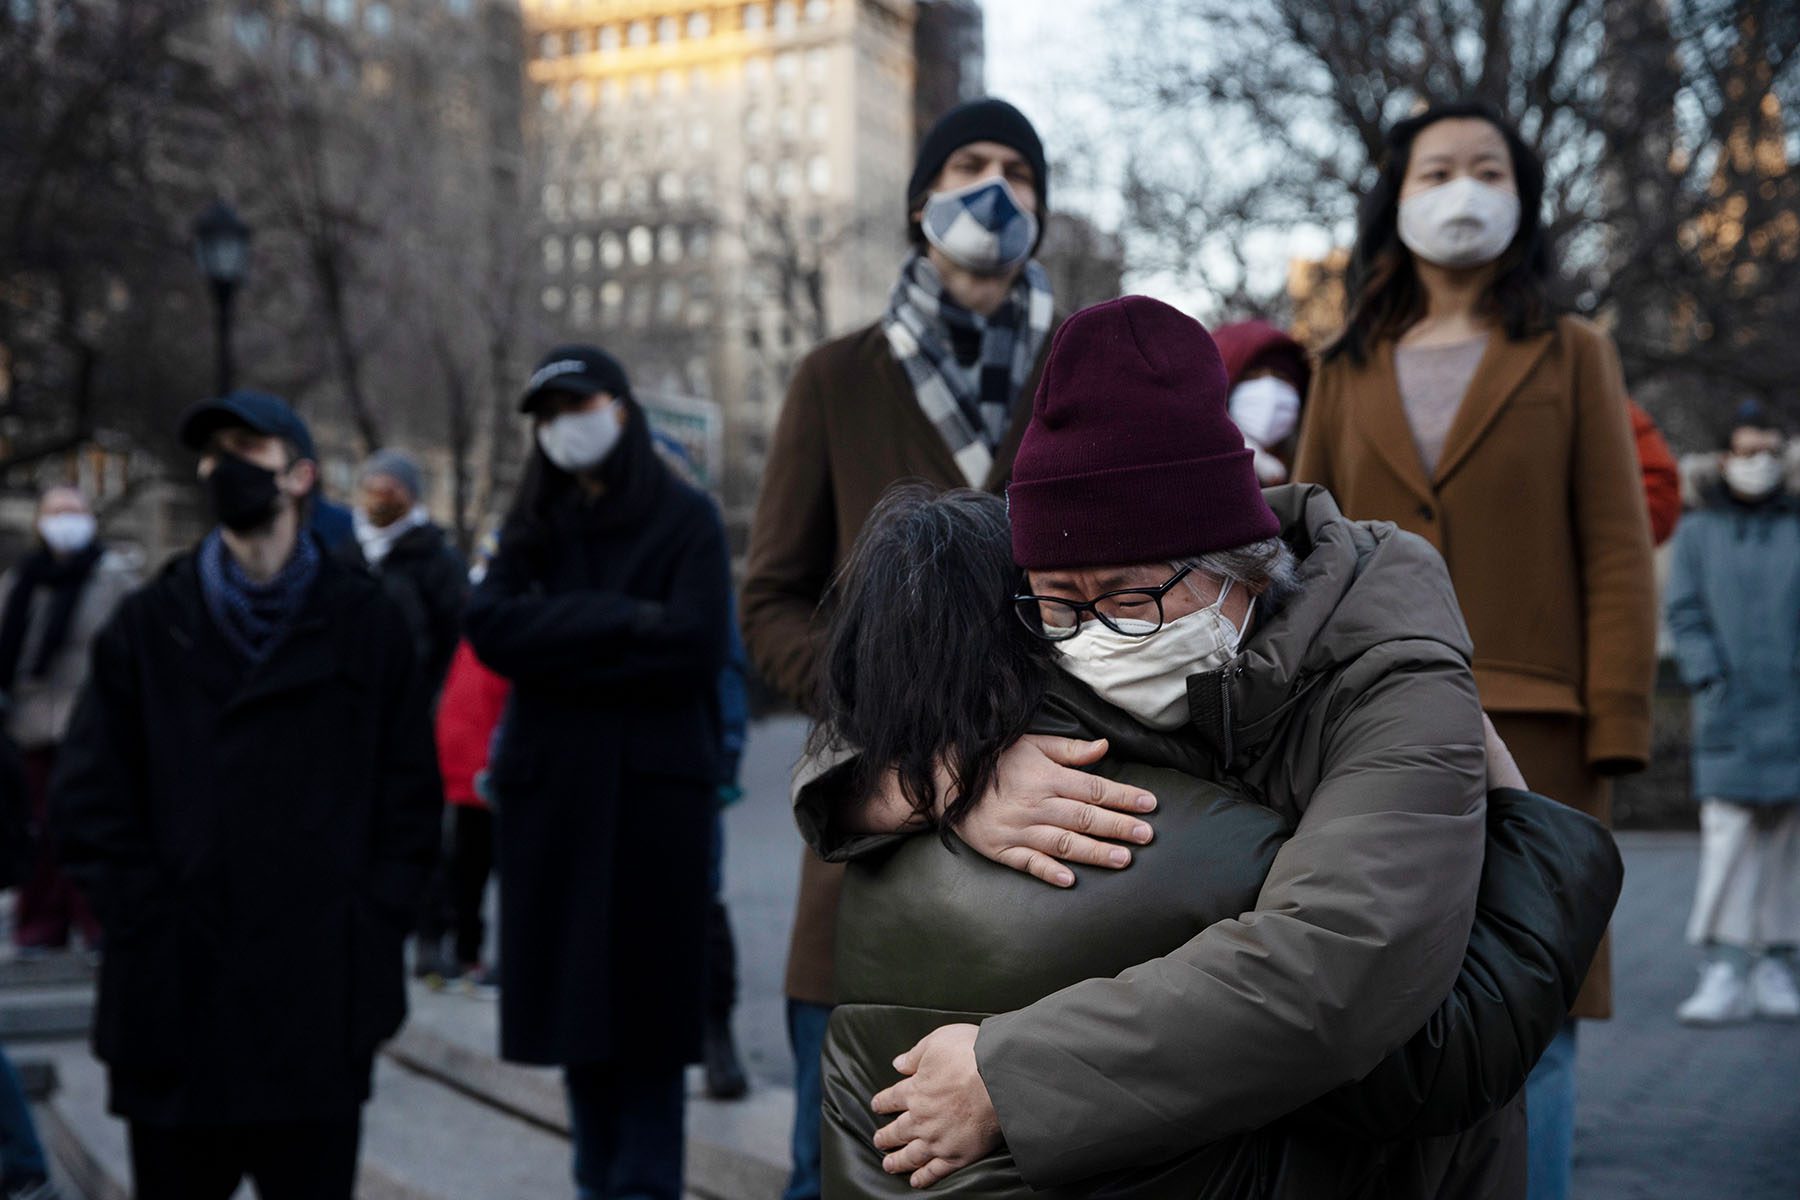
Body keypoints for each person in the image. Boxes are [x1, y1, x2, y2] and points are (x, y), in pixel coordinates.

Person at [790, 296, 1550, 1194]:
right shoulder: (1049, 611)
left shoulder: (1387, 664)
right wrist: (951, 777)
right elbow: (857, 724)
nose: (1092, 636)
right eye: (1058, 603)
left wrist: (1010, 1075)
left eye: (1129, 598)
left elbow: (1341, 958)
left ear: (1241, 563)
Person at [1292, 101, 1657, 1200]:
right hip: (1374, 737)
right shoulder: (1343, 362)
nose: (1463, 189)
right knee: (1378, 1009)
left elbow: (1616, 547)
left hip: (1542, 739)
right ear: (1396, 199)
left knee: (1533, 1019)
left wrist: (1619, 727)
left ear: (1522, 193)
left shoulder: (1575, 351)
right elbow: (1302, 554)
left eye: (1487, 168)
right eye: (1437, 169)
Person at [739, 96, 1059, 1200]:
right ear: (920, 203)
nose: (994, 187)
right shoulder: (837, 377)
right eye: (969, 163)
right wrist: (883, 718)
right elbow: (771, 598)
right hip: (871, 855)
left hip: (1058, 847)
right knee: (839, 1173)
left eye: (1019, 171)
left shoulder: (1082, 375)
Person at [49, 390, 441, 1200]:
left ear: (298, 476)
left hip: (316, 1013)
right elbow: (88, 799)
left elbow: (409, 802)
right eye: (211, 452)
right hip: (174, 1013)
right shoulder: (150, 625)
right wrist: (149, 921)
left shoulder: (365, 625)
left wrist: (364, 928)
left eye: (245, 450)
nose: (221, 468)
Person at [464, 345, 731, 1200]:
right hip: (556, 808)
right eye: (547, 415)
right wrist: (623, 619)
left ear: (619, 408)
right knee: (575, 1023)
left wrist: (561, 639)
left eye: (576, 407)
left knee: (649, 1034)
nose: (562, 429)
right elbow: (492, 628)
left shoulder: (687, 519)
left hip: (654, 809)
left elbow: (692, 648)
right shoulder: (535, 524)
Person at [1665, 400, 1800, 1025]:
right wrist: (1708, 675)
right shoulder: (1698, 530)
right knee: (1727, 838)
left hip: (1793, 709)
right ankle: (1722, 964)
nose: (1759, 464)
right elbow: (1685, 612)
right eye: (1748, 452)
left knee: (1785, 844)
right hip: (1729, 708)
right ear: (1724, 458)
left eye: (1770, 451)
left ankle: (1776, 961)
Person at [0, 485, 138, 955]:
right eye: (57, 512)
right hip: (31, 725)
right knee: (37, 827)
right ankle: (41, 923)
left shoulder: (115, 580)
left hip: (94, 725)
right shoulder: (19, 583)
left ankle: (96, 918)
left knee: (93, 823)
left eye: (74, 511)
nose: (66, 519)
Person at [346, 450, 468, 698]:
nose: (380, 501)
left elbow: (454, 638)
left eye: (389, 491)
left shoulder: (439, 559)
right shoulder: (348, 553)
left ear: (410, 496)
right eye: (372, 491)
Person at [431, 637, 506, 992]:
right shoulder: (502, 637)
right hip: (484, 768)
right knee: (478, 868)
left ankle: (462, 951)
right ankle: (472, 954)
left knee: (466, 866)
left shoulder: (471, 639)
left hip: (463, 762)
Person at [1213, 320, 1311, 485]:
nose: (1269, 390)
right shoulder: (1201, 475)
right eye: (1253, 377)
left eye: (1282, 378)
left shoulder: (1318, 465)